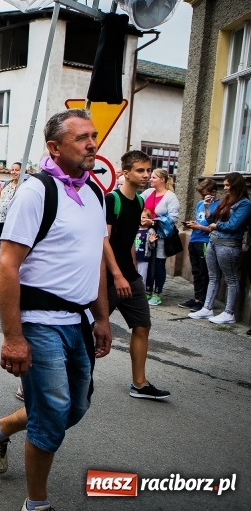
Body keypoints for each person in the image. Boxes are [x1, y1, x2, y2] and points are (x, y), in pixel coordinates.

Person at [0, 109, 111, 511]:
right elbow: (6, 264)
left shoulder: (95, 193)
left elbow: (94, 259)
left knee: (75, 407)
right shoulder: (35, 192)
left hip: (79, 321)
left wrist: (102, 317)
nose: (92, 144)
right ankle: (37, 504)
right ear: (54, 148)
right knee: (53, 414)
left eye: (93, 136)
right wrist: (13, 337)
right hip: (39, 322)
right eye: (82, 138)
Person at [103, 151, 170, 400]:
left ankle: (140, 384)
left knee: (142, 326)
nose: (146, 175)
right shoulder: (112, 200)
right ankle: (67, 382)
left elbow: (129, 238)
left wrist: (131, 271)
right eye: (140, 170)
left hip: (130, 277)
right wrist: (117, 275)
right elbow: (104, 241)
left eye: (148, 170)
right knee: (89, 331)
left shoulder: (140, 202)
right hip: (108, 278)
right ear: (126, 172)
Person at [189, 173, 251, 324]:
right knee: (213, 277)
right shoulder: (227, 199)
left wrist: (216, 226)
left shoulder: (244, 204)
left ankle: (229, 313)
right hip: (214, 241)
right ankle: (207, 308)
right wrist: (207, 207)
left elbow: (233, 225)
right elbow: (211, 219)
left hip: (228, 244)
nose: (225, 188)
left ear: (236, 185)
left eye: (228, 185)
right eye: (224, 185)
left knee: (231, 279)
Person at [140, 168, 180, 306]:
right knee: (147, 262)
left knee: (158, 263)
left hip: (161, 235)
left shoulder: (170, 197)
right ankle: (147, 290)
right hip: (146, 233)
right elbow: (138, 204)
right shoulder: (148, 192)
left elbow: (174, 218)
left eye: (153, 177)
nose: (150, 179)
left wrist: (153, 222)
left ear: (162, 180)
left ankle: (157, 293)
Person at [0, 161, 22, 307]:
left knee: (8, 253)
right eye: (12, 170)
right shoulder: (6, 184)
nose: (14, 172)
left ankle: (8, 289)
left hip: (12, 223)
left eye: (17, 170)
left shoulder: (23, 186)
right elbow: (0, 203)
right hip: (0, 221)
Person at [180, 179, 218, 311]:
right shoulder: (199, 204)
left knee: (203, 271)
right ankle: (197, 298)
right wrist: (192, 224)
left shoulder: (218, 205)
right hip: (194, 239)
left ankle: (203, 300)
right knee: (196, 271)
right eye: (201, 194)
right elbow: (199, 220)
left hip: (205, 241)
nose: (203, 197)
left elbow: (213, 227)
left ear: (214, 192)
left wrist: (198, 227)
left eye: (205, 194)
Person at [135, 209, 156, 285]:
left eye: (144, 217)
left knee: (142, 277)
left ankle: (141, 290)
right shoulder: (135, 229)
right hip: (133, 257)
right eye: (140, 217)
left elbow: (152, 247)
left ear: (149, 219)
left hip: (143, 258)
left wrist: (151, 242)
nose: (141, 219)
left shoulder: (150, 231)